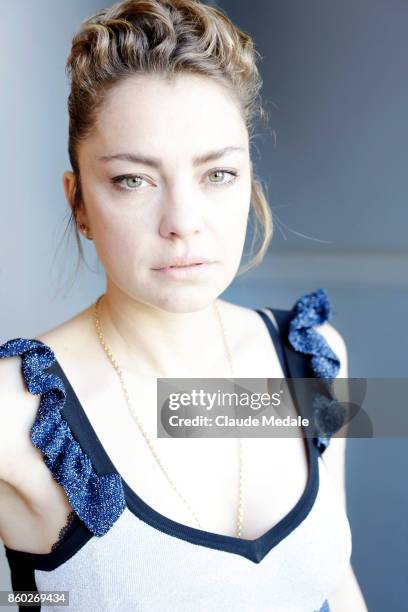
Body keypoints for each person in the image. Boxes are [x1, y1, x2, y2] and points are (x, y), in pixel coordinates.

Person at [0, 0, 367, 610]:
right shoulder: (16, 411)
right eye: (132, 180)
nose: (182, 223)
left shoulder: (316, 357)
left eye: (217, 174)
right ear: (79, 203)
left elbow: (334, 579)